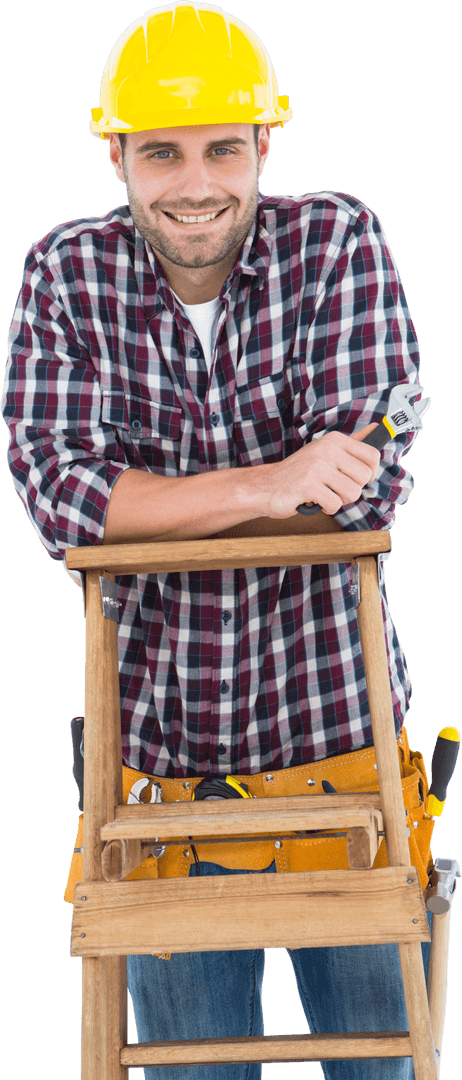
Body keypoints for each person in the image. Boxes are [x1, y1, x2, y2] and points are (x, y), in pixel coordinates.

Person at [1, 3, 431, 1078]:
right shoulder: (64, 274)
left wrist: (152, 499)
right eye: (162, 152)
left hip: (345, 757)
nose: (196, 183)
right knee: (189, 1073)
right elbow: (60, 498)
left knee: (381, 1067)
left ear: (264, 145)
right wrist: (275, 480)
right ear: (115, 153)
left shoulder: (336, 242)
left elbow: (360, 496)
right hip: (162, 777)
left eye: (222, 149)